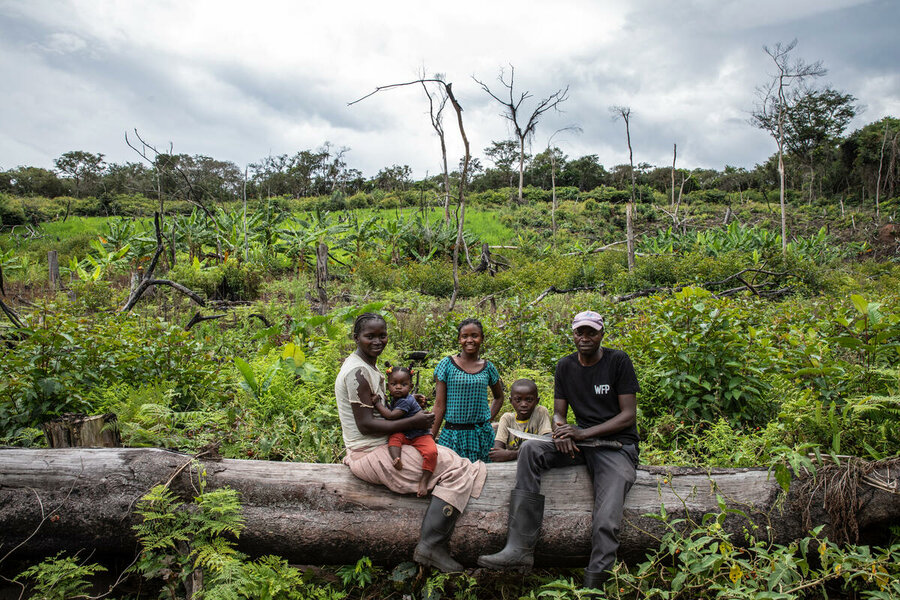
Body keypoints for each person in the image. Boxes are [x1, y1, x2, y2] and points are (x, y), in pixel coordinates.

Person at [477, 310, 640, 591]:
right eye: (580, 332)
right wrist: (562, 430)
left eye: (592, 332)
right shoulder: (565, 366)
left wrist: (583, 432)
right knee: (530, 450)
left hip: (615, 446)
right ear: (573, 335)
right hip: (580, 443)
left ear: (602, 334)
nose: (585, 338)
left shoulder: (618, 361)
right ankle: (519, 548)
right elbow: (559, 413)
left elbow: (628, 416)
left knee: (606, 517)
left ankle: (594, 585)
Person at [335, 313, 487, 572]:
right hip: (369, 453)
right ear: (356, 338)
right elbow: (366, 425)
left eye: (381, 335)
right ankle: (431, 546)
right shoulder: (357, 373)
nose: (377, 341)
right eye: (369, 336)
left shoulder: (367, 367)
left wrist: (407, 403)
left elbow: (379, 411)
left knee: (451, 458)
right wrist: (414, 422)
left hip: (383, 445)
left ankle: (433, 542)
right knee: (458, 469)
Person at [432, 318, 504, 463]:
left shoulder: (488, 367)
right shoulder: (447, 364)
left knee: (483, 477)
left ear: (482, 338)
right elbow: (439, 405)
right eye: (465, 336)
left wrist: (486, 419)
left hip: (481, 436)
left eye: (474, 336)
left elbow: (499, 397)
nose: (469, 340)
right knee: (451, 475)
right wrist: (430, 437)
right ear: (459, 339)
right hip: (453, 435)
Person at [373, 363, 438, 497]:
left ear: (411, 387)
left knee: (431, 452)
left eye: (403, 385)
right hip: (405, 432)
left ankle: (424, 480)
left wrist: (378, 404)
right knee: (394, 438)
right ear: (388, 385)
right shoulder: (397, 398)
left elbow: (391, 416)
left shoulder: (405, 401)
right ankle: (396, 458)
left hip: (420, 433)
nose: (398, 387)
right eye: (393, 384)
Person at [489, 378, 552, 462]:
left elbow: (546, 446)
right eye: (518, 400)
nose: (523, 404)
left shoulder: (540, 412)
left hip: (534, 463)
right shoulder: (507, 418)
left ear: (537, 401)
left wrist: (511, 454)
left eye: (529, 400)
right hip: (510, 466)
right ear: (511, 401)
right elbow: (497, 452)